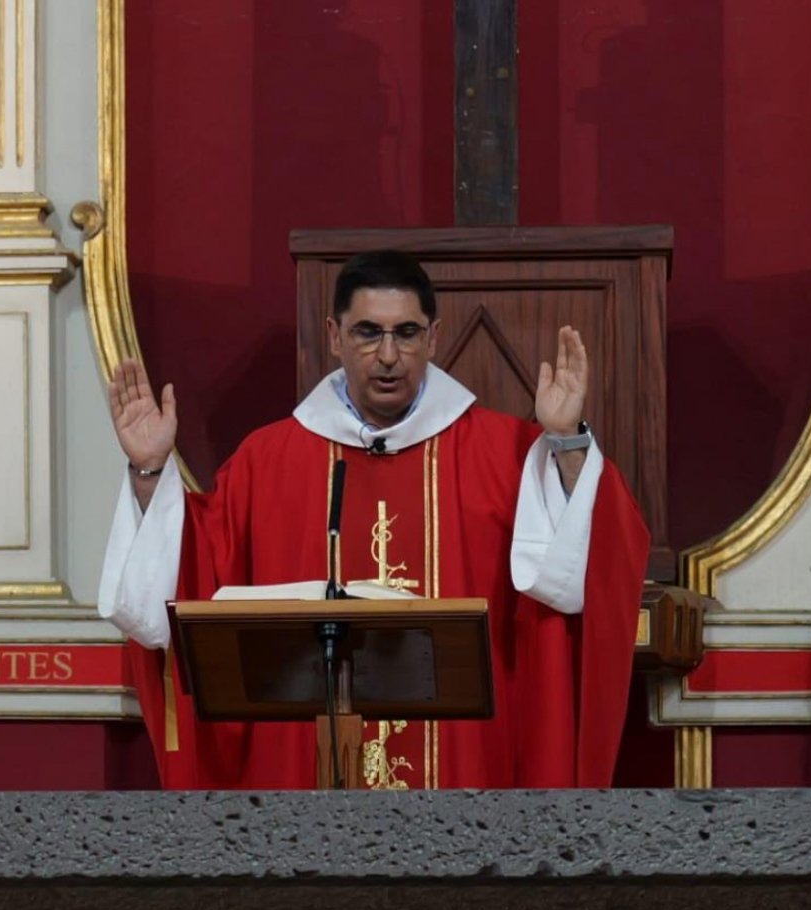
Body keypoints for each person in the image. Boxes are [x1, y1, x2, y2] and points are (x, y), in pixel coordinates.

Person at [98, 250, 649, 789]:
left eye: (406, 333)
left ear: (433, 338)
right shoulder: (266, 462)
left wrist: (566, 442)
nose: (388, 355)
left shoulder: (504, 454)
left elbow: (579, 572)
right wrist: (150, 471)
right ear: (335, 336)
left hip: (468, 782)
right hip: (307, 786)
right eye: (367, 333)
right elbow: (188, 578)